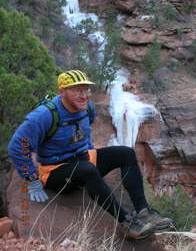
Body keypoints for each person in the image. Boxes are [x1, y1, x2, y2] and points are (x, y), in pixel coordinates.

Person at [8, 69, 173, 240]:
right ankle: (127, 223)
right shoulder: (44, 115)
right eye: (77, 90)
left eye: (86, 90)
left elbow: (85, 128)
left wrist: (87, 147)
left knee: (126, 153)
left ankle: (144, 211)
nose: (84, 96)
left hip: (84, 158)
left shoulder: (87, 109)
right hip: (56, 170)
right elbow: (17, 146)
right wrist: (32, 179)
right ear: (62, 92)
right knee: (87, 170)